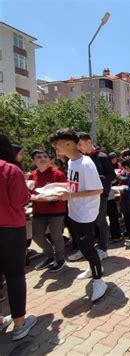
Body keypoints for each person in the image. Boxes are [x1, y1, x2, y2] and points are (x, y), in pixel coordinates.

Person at [47, 129, 107, 302]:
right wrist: (56, 185)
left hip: (86, 214)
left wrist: (70, 196)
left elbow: (98, 189)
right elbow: (74, 184)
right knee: (82, 245)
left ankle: (99, 280)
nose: (55, 148)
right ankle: (92, 267)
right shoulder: (72, 162)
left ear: (69, 144)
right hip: (75, 211)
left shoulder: (86, 163)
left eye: (57, 145)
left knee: (87, 246)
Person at [0, 133, 37, 340]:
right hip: (10, 229)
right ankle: (20, 324)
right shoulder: (10, 170)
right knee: (14, 276)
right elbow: (19, 200)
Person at [76, 133, 116, 261]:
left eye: (80, 144)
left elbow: (112, 176)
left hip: (101, 195)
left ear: (89, 142)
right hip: (87, 194)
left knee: (100, 221)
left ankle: (103, 248)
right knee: (88, 222)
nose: (79, 147)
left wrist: (95, 179)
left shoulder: (102, 156)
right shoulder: (83, 158)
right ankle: (90, 247)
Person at [28, 149, 67, 272]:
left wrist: (49, 197)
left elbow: (64, 192)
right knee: (37, 236)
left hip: (56, 211)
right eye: (39, 157)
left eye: (45, 156)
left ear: (49, 160)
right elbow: (29, 193)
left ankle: (60, 259)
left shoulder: (57, 174)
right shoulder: (32, 176)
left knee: (56, 236)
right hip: (38, 211)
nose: (43, 159)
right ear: (33, 161)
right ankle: (50, 256)